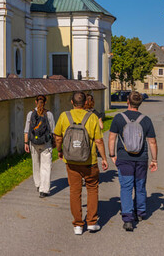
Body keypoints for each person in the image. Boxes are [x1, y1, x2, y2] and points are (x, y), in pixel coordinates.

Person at [54, 91, 108, 235]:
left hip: (71, 161)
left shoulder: (64, 116)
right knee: (92, 189)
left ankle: (78, 225)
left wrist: (60, 151)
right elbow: (98, 141)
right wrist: (104, 158)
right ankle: (91, 222)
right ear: (85, 103)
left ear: (71, 102)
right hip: (89, 161)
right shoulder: (92, 117)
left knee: (75, 191)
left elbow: (58, 137)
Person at [108, 90, 158, 232]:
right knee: (140, 186)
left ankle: (128, 219)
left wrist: (112, 154)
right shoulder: (146, 120)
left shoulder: (118, 118)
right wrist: (154, 159)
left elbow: (112, 138)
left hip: (124, 159)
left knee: (126, 188)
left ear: (127, 102)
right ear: (140, 103)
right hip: (141, 159)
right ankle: (140, 213)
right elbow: (152, 142)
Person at [24, 95, 56, 198]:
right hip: (46, 143)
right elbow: (53, 131)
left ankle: (38, 184)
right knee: (46, 166)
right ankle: (44, 190)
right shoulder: (49, 114)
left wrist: (26, 143)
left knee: (36, 164)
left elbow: (26, 130)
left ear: (35, 102)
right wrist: (54, 143)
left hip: (33, 143)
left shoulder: (30, 114)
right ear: (45, 102)